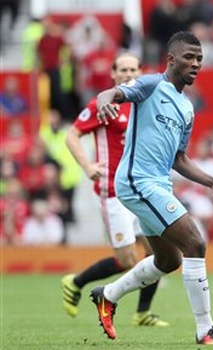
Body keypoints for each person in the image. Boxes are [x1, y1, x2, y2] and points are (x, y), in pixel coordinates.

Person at [91, 31, 213, 345]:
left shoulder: (187, 108)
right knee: (195, 244)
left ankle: (108, 294)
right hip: (136, 181)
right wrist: (105, 101)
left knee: (169, 261)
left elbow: (180, 159)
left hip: (157, 184)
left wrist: (212, 181)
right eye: (189, 57)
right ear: (171, 59)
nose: (196, 64)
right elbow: (112, 94)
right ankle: (206, 330)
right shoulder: (150, 85)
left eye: (199, 59)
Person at [62, 53, 169, 327]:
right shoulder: (105, 103)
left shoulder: (144, 102)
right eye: (123, 69)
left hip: (142, 188)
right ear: (113, 74)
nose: (128, 74)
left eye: (133, 69)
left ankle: (142, 312)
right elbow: (72, 134)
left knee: (160, 253)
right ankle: (76, 282)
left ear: (140, 71)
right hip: (113, 190)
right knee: (126, 259)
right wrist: (87, 166)